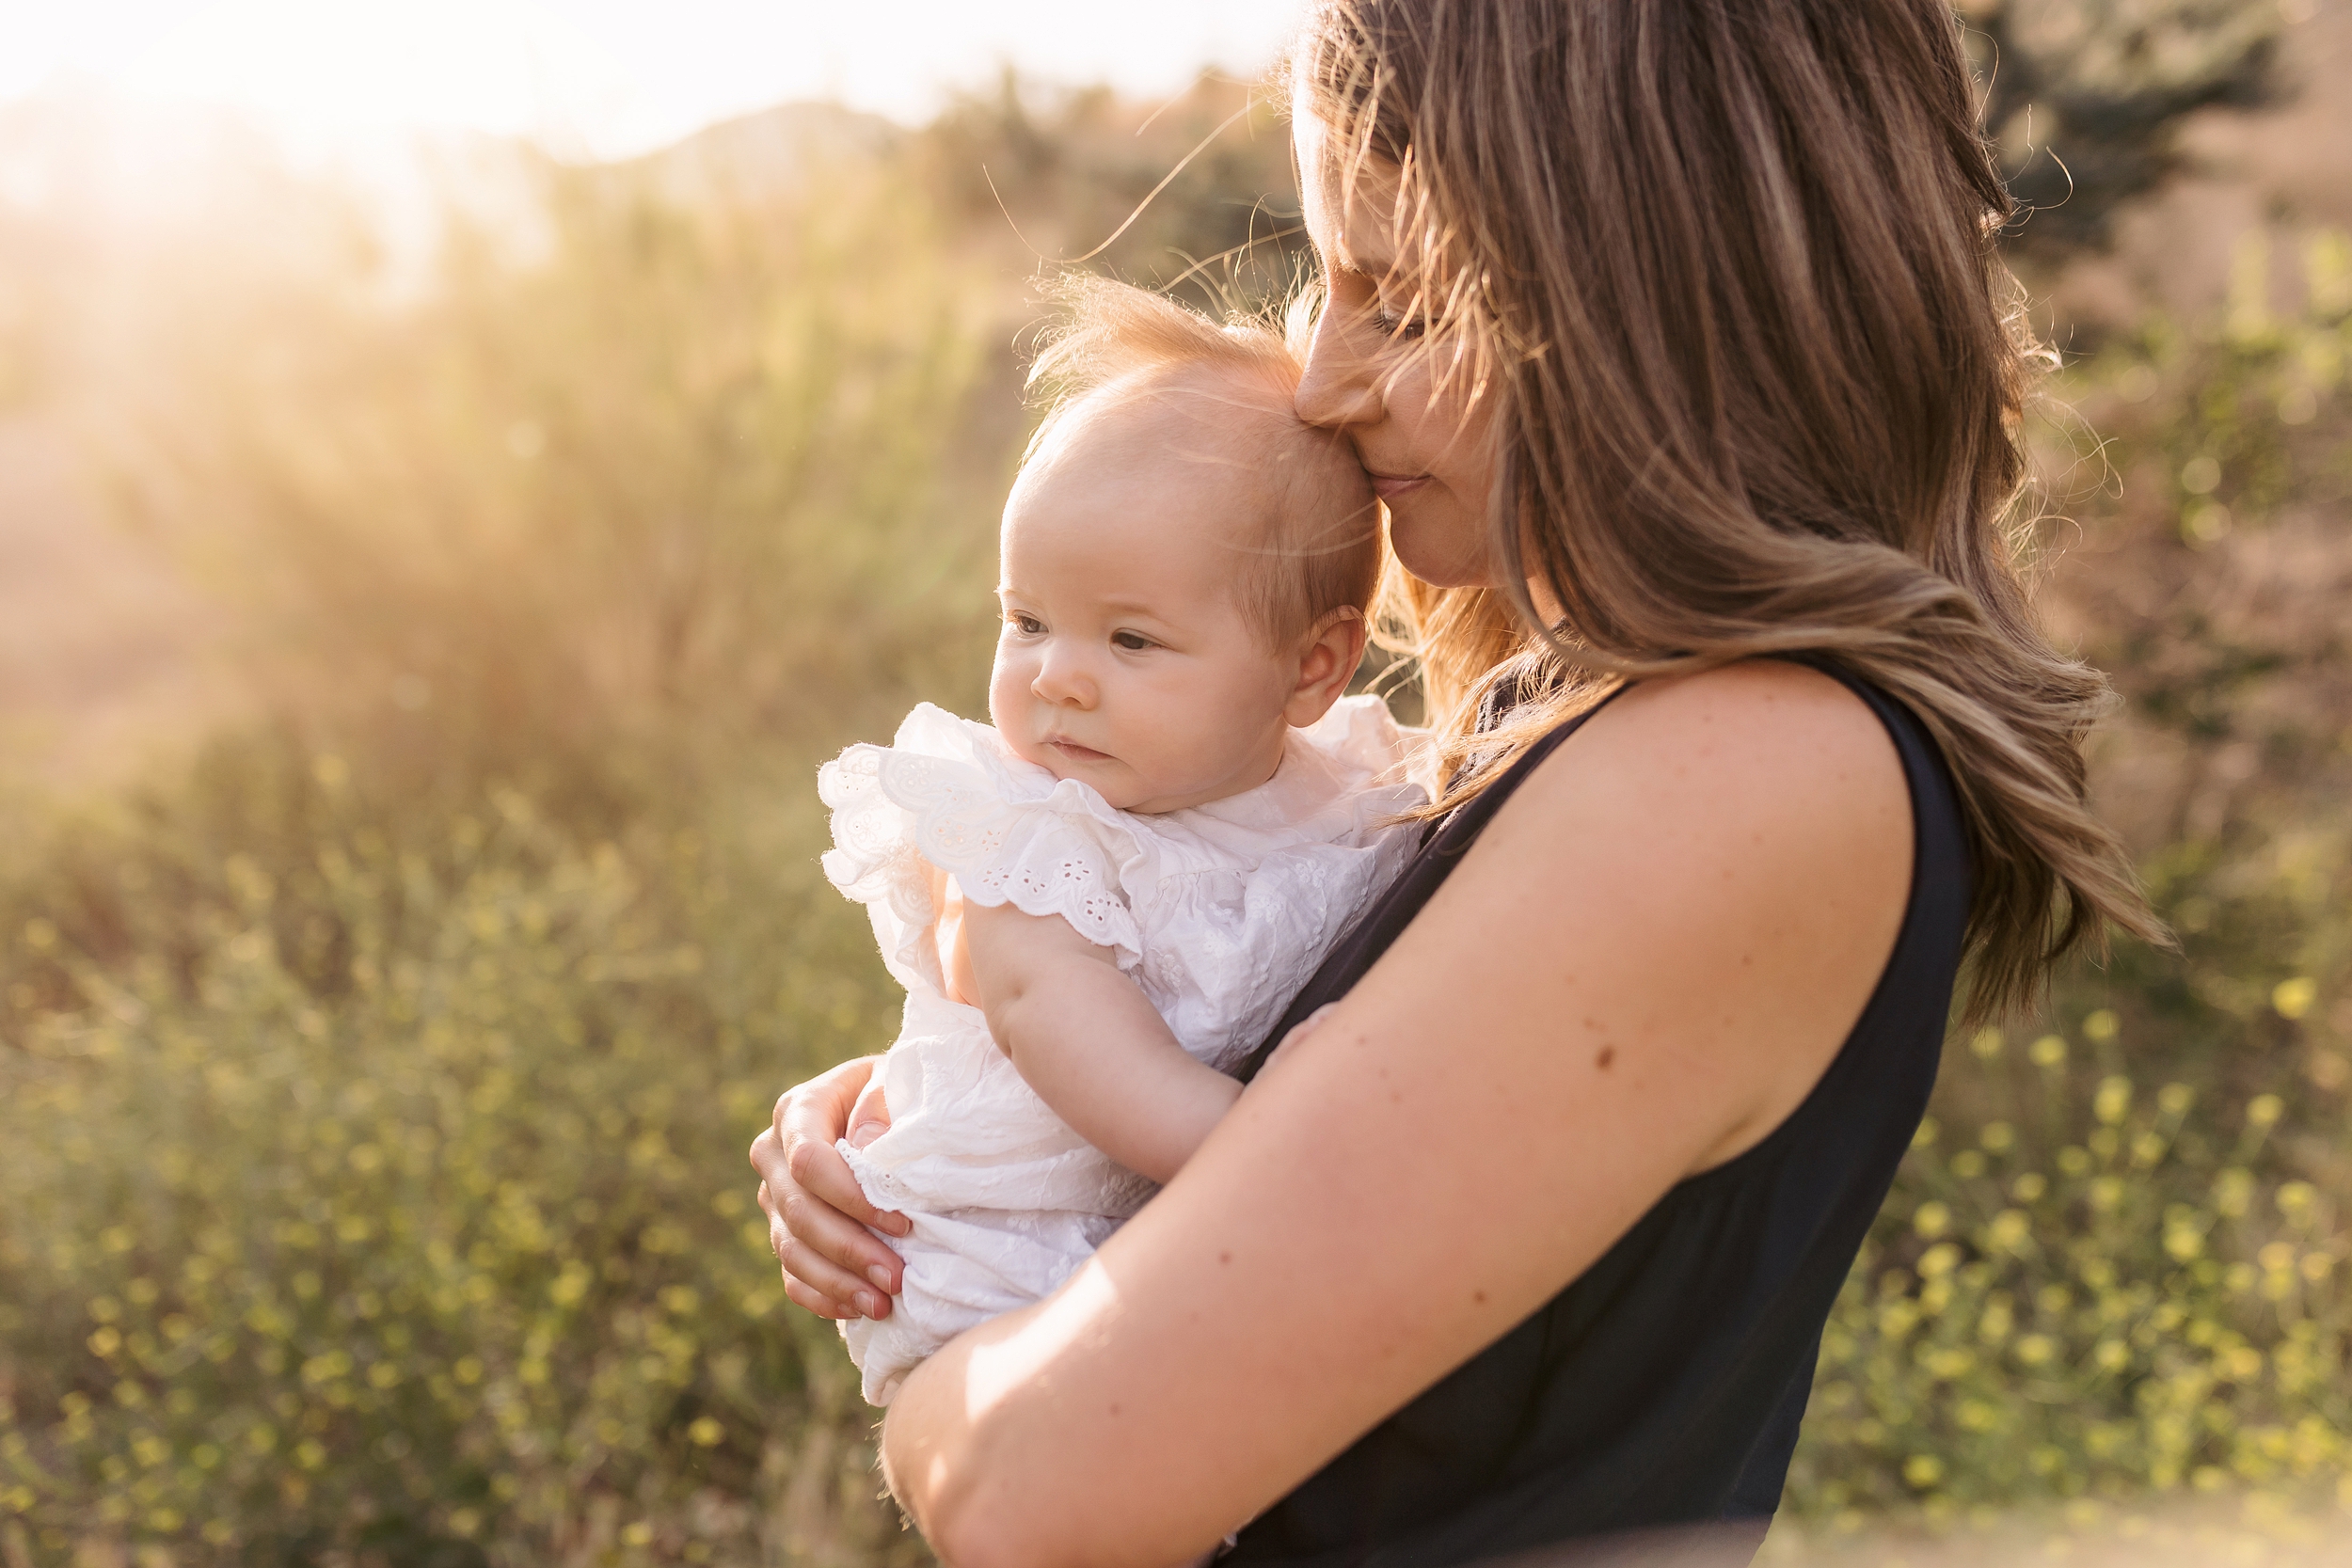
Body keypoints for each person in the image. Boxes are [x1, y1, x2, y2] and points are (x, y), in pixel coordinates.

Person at [751, 2, 2164, 1563]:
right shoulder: (1595, 722)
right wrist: (956, 1126)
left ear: (1650, 305)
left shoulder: (1747, 766)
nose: (1323, 381)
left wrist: (940, 1367)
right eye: (1327, 286)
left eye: (1406, 304)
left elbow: (1036, 1491)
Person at [816, 279, 1423, 1405]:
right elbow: (1066, 1030)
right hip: (1021, 1252)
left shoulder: (1352, 781)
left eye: (1131, 637)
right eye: (1026, 620)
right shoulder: (1030, 834)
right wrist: (1264, 1148)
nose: (1057, 676)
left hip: (1188, 1236)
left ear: (1312, 668)